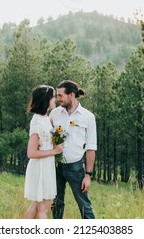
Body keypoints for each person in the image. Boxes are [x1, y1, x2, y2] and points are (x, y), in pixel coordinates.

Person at [50, 80, 97, 219]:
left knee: (84, 206)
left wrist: (88, 175)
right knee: (56, 204)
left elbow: (91, 147)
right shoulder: (54, 114)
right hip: (56, 166)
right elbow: (47, 137)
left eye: (60, 95)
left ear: (71, 95)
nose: (57, 99)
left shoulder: (88, 117)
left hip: (76, 168)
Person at [24, 85, 64, 219]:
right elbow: (31, 153)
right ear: (46, 100)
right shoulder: (37, 123)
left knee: (36, 205)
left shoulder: (45, 119)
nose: (55, 100)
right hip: (40, 167)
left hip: (46, 166)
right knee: (43, 207)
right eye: (53, 97)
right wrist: (55, 151)